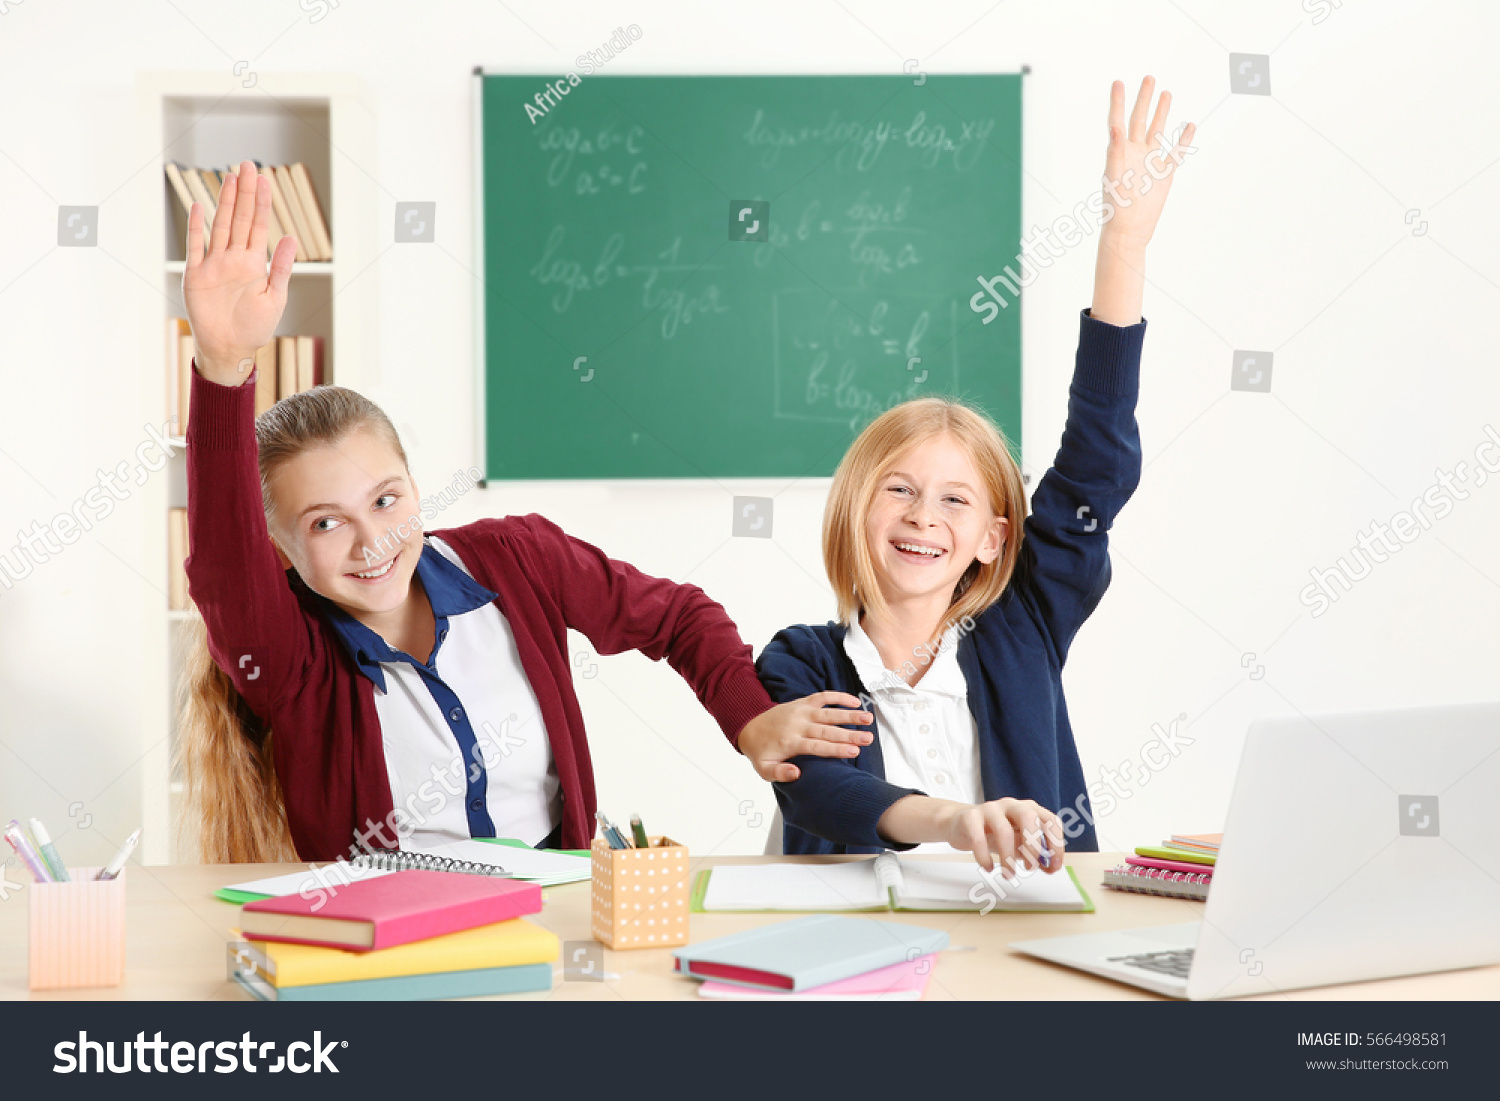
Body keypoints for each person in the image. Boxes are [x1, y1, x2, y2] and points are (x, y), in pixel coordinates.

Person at [174, 160, 872, 862]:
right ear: (280, 546)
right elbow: (224, 570)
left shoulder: (515, 558)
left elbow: (676, 615)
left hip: (554, 908)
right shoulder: (288, 657)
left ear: (415, 488)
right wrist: (223, 363)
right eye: (326, 522)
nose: (371, 540)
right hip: (394, 937)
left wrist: (748, 718)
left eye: (386, 499)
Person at [756, 78, 1196, 875]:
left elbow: (1097, 462)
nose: (925, 515)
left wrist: (1122, 247)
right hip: (862, 958)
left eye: (956, 499)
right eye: (899, 488)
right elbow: (825, 795)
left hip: (1025, 940)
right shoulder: (800, 661)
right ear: (856, 509)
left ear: (994, 539)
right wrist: (958, 821)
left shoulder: (1020, 626)